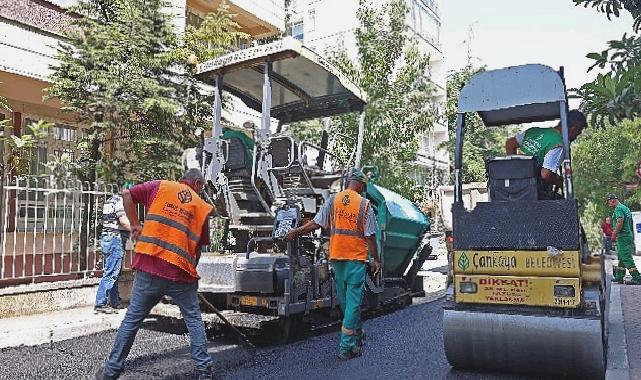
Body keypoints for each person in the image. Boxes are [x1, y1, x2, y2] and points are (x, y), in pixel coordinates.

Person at [100, 169, 215, 380]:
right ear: (197, 183)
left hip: (149, 267)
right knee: (194, 320)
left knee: (132, 320)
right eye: (202, 187)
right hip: (180, 274)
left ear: (183, 179)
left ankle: (111, 370)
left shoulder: (160, 186)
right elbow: (197, 249)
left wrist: (135, 225)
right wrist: (190, 275)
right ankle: (204, 370)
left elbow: (127, 195)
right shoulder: (201, 206)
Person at [284, 169, 381, 360]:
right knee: (353, 304)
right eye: (364, 187)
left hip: (337, 258)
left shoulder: (334, 200)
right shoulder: (364, 204)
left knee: (346, 302)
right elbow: (370, 236)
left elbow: (316, 223)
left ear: (349, 184)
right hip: (356, 259)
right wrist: (376, 259)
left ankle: (358, 334)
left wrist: (296, 232)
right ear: (360, 185)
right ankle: (346, 347)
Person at [505, 109, 587, 190]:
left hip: (513, 188)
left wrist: (515, 171)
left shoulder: (534, 131)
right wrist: (558, 180)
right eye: (578, 133)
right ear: (573, 129)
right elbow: (546, 174)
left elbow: (509, 144)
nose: (576, 137)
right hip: (530, 192)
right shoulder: (558, 144)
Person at [95, 193, 131, 314]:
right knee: (111, 273)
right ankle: (100, 303)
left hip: (109, 239)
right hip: (115, 240)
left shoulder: (110, 200)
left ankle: (114, 301)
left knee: (114, 272)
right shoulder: (120, 201)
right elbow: (123, 221)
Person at [608, 193, 640, 285]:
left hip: (623, 236)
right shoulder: (625, 207)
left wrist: (614, 233)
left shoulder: (618, 209)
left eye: (609, 202)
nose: (609, 205)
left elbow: (619, 222)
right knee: (622, 257)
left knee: (626, 257)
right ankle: (619, 276)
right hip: (626, 235)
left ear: (613, 200)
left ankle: (637, 277)